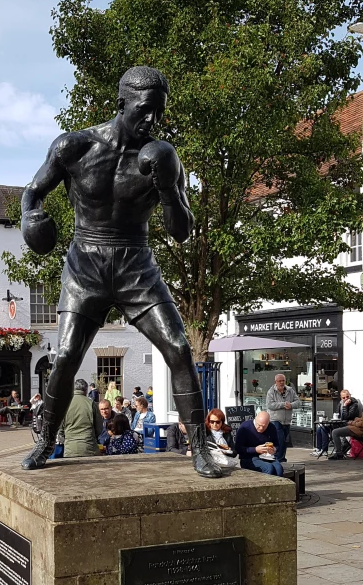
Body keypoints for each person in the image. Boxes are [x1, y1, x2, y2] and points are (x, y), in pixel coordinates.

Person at [19, 65, 220, 479]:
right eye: (145, 110)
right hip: (86, 263)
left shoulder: (163, 155)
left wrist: (167, 187)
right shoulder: (74, 147)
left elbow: (182, 231)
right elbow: (33, 192)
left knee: (179, 347)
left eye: (159, 112)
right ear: (121, 103)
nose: (153, 120)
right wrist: (30, 220)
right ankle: (45, 441)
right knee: (66, 357)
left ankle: (200, 447)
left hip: (136, 263)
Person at [62, 379, 104, 458]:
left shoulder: (64, 404)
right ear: (86, 390)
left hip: (70, 448)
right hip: (89, 447)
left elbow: (60, 430)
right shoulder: (91, 404)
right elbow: (99, 428)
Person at [235, 411, 284, 476]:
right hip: (249, 458)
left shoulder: (271, 427)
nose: (261, 428)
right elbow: (238, 448)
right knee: (269, 468)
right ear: (255, 419)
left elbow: (277, 445)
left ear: (268, 423)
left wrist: (274, 449)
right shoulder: (245, 427)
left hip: (267, 457)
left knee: (279, 469)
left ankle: (279, 482)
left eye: (264, 426)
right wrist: (255, 449)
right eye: (259, 425)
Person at [265, 374, 300, 462]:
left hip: (287, 420)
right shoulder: (271, 391)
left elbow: (298, 402)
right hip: (275, 419)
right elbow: (270, 405)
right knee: (280, 439)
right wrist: (283, 404)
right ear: (275, 382)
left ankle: (282, 458)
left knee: (284, 441)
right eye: (279, 381)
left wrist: (291, 405)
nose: (281, 382)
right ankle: (279, 459)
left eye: (283, 381)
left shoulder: (290, 390)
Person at [329, 391, 363, 459]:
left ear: (350, 395)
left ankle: (339, 453)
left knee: (335, 432)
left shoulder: (354, 404)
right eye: (343, 398)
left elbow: (348, 417)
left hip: (358, 430)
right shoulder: (340, 403)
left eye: (347, 397)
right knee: (324, 428)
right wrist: (356, 420)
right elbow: (359, 419)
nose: (346, 399)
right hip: (352, 426)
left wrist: (345, 406)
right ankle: (322, 449)